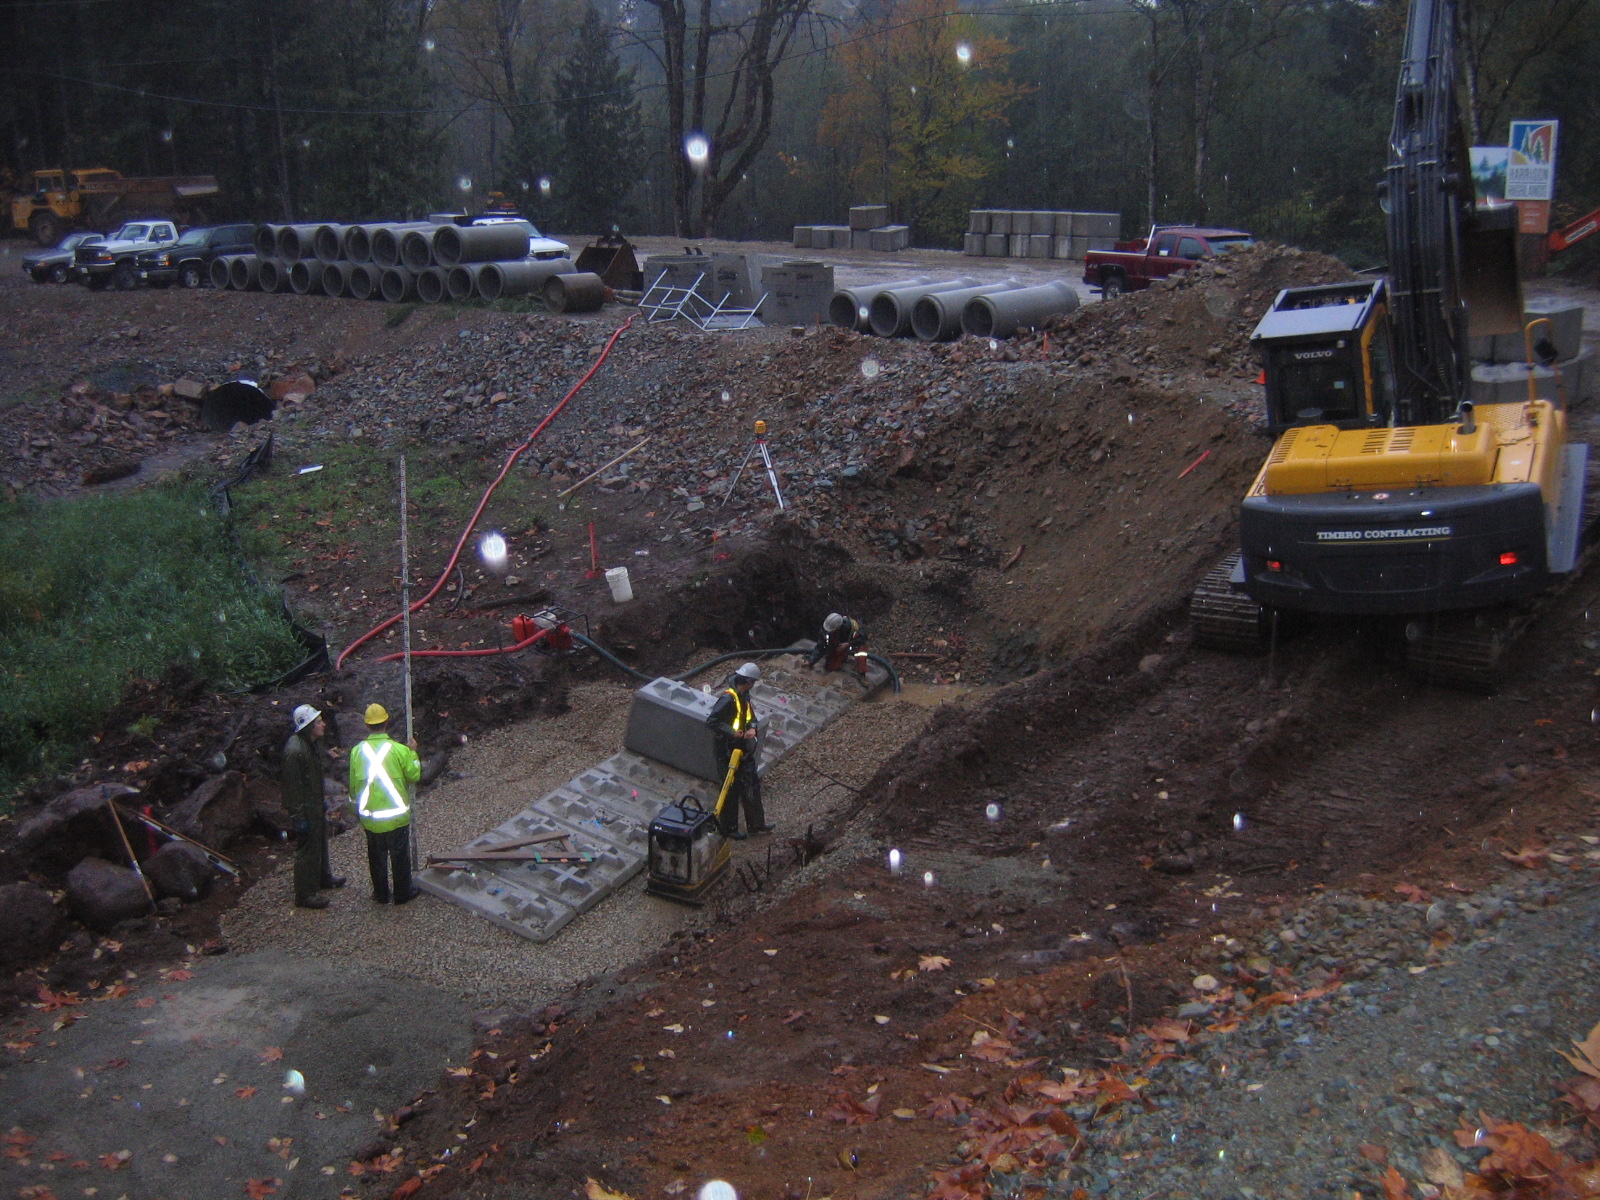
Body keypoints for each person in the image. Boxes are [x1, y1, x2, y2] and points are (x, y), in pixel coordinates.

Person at [348, 703, 422, 904]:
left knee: (376, 857)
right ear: (387, 721)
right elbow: (414, 775)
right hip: (397, 817)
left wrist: (355, 808)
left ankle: (381, 894)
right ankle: (402, 893)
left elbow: (354, 784)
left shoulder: (357, 751)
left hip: (371, 817)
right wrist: (413, 753)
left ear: (366, 725)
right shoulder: (399, 750)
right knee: (400, 857)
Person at [282, 704, 345, 909]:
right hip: (305, 807)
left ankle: (323, 878)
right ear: (308, 726)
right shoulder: (295, 751)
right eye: (318, 722)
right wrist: (298, 816)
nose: (323, 724)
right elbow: (292, 787)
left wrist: (321, 799)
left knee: (320, 842)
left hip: (314, 803)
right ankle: (305, 893)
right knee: (307, 849)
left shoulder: (310, 745)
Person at [706, 662, 772, 840]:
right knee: (730, 788)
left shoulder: (744, 695)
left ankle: (757, 824)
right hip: (726, 749)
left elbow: (750, 716)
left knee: (751, 783)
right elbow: (712, 721)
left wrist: (752, 727)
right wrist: (732, 732)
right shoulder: (728, 699)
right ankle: (730, 828)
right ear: (749, 681)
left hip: (742, 747)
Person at [807, 612, 869, 686]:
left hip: (853, 644)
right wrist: (811, 661)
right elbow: (821, 646)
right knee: (830, 667)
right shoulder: (826, 629)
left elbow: (863, 638)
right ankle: (843, 657)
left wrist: (849, 644)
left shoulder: (852, 626)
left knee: (861, 651)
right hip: (840, 647)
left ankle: (862, 674)